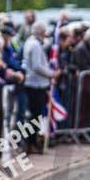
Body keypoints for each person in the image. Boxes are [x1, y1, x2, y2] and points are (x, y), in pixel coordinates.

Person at [22, 22, 59, 152]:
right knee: (35, 116)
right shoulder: (36, 45)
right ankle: (30, 142)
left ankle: (31, 142)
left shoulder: (30, 42)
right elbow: (37, 66)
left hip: (34, 83)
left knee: (34, 115)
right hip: (36, 84)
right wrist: (51, 73)